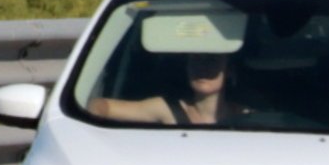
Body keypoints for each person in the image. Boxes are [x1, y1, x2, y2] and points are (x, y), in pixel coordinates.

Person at [80, 40, 237, 127]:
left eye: (212, 61)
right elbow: (99, 106)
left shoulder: (247, 117)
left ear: (229, 70)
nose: (203, 68)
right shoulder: (166, 109)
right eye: (196, 60)